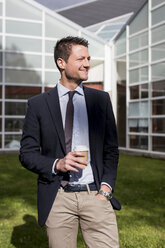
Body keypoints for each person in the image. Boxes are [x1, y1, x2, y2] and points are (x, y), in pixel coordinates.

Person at [19, 36, 120, 248]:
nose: (87, 64)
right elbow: (27, 154)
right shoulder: (38, 104)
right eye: (80, 59)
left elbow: (111, 149)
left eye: (89, 58)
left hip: (96, 194)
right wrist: (57, 164)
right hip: (58, 198)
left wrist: (106, 188)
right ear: (61, 63)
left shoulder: (100, 100)